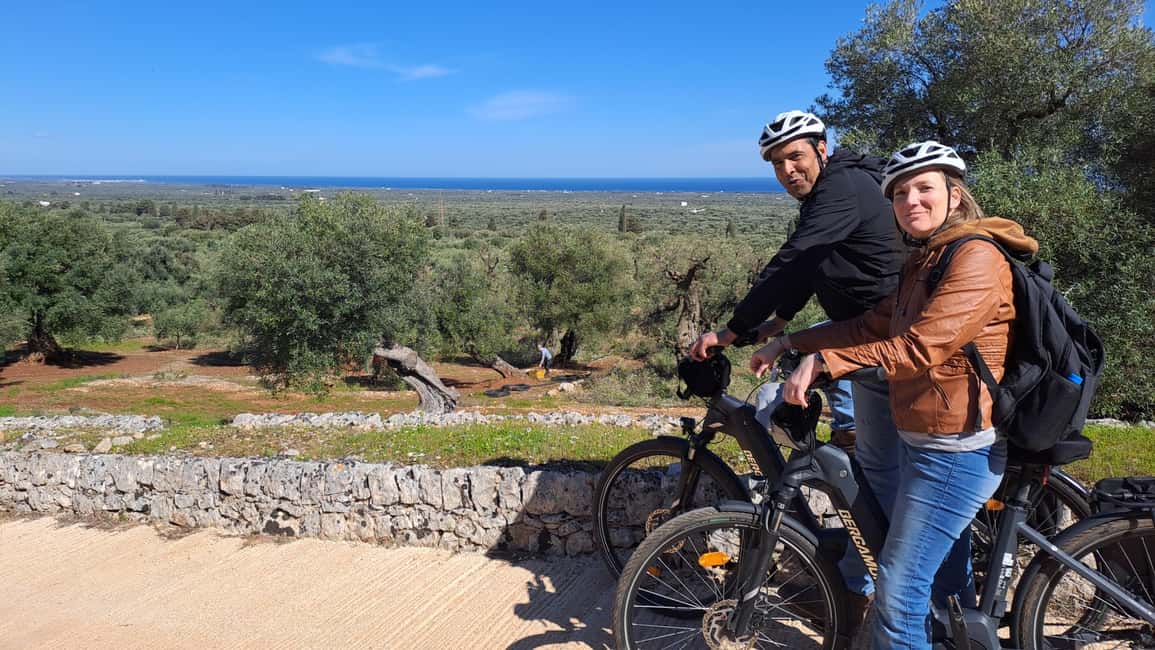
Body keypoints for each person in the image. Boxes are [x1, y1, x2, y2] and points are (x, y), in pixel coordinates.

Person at [752, 140, 1033, 649]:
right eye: (900, 193)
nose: (911, 201)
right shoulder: (924, 262)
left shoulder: (975, 257)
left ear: (954, 193)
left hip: (955, 450)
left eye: (925, 188)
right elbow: (869, 324)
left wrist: (825, 364)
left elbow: (920, 346)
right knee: (944, 584)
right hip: (924, 441)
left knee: (898, 595)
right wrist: (793, 341)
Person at [689, 109, 904, 611]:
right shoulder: (835, 190)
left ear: (822, 149)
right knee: (865, 464)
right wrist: (781, 322)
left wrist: (731, 331)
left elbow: (793, 259)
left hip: (879, 347)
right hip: (856, 341)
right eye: (778, 163)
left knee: (875, 474)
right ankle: (856, 579)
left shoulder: (841, 188)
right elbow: (817, 264)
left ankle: (858, 588)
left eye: (796, 156)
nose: (787, 170)